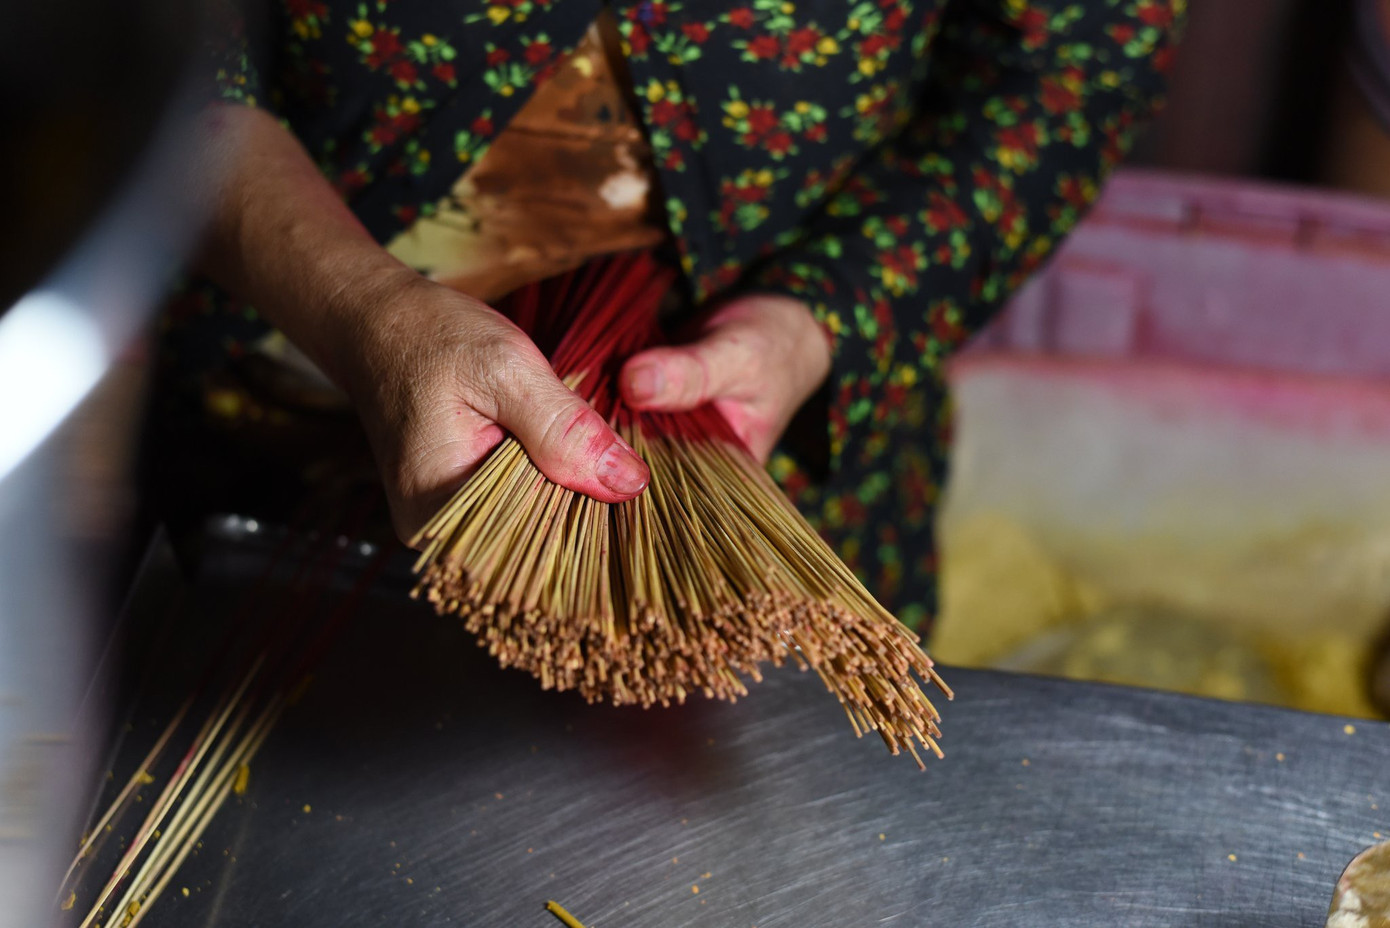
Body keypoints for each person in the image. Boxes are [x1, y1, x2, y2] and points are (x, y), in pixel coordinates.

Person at [178, 0, 1183, 630]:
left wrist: (819, 316)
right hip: (265, 438)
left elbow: (1072, 69)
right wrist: (366, 312)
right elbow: (135, 53)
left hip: (770, 476)